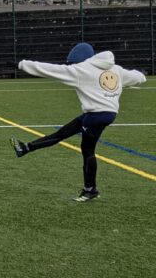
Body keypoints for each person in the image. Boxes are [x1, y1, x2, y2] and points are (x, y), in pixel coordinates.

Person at [10, 42, 146, 201]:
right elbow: (137, 77)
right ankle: (25, 148)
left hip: (96, 115)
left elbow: (51, 69)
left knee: (87, 150)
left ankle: (90, 190)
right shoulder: (116, 69)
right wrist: (141, 74)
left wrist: (22, 64)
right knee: (63, 132)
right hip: (102, 114)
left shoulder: (82, 69)